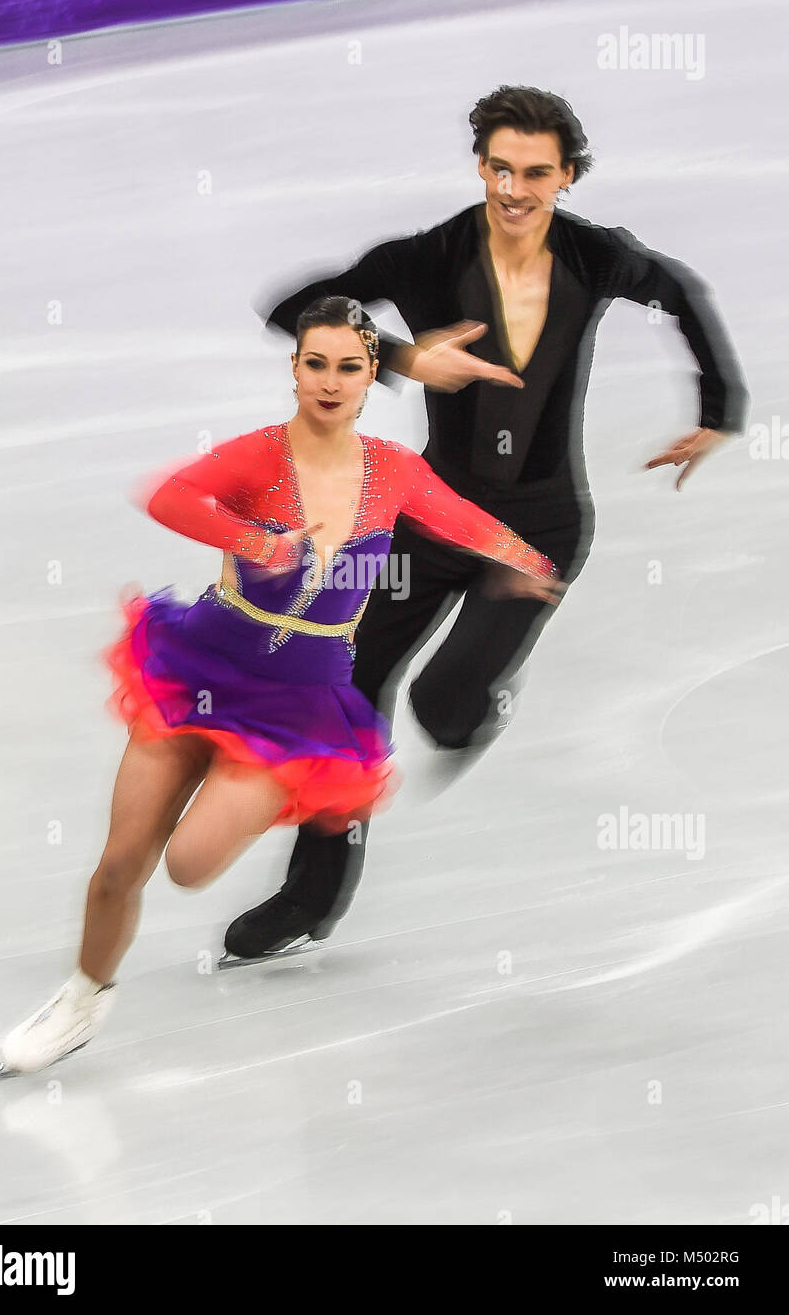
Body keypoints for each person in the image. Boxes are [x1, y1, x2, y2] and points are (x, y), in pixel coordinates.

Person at [222, 83, 750, 963]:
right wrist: (400, 356)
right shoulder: (425, 259)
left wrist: (720, 406)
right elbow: (294, 309)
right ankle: (311, 899)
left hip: (537, 531)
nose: (513, 189)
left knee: (443, 703)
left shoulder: (595, 257)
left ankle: (483, 701)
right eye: (498, 168)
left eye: (534, 173)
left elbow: (682, 292)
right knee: (348, 688)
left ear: (567, 177)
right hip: (428, 519)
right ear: (479, 166)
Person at [0, 297, 562, 1075]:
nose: (330, 382)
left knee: (189, 864)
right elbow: (168, 495)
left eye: (349, 368)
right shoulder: (258, 457)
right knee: (120, 863)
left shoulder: (393, 472)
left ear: (371, 378)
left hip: (296, 708)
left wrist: (524, 559)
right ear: (294, 370)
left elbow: (459, 518)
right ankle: (82, 1000)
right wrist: (253, 538)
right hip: (197, 668)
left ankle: (237, 787)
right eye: (315, 364)